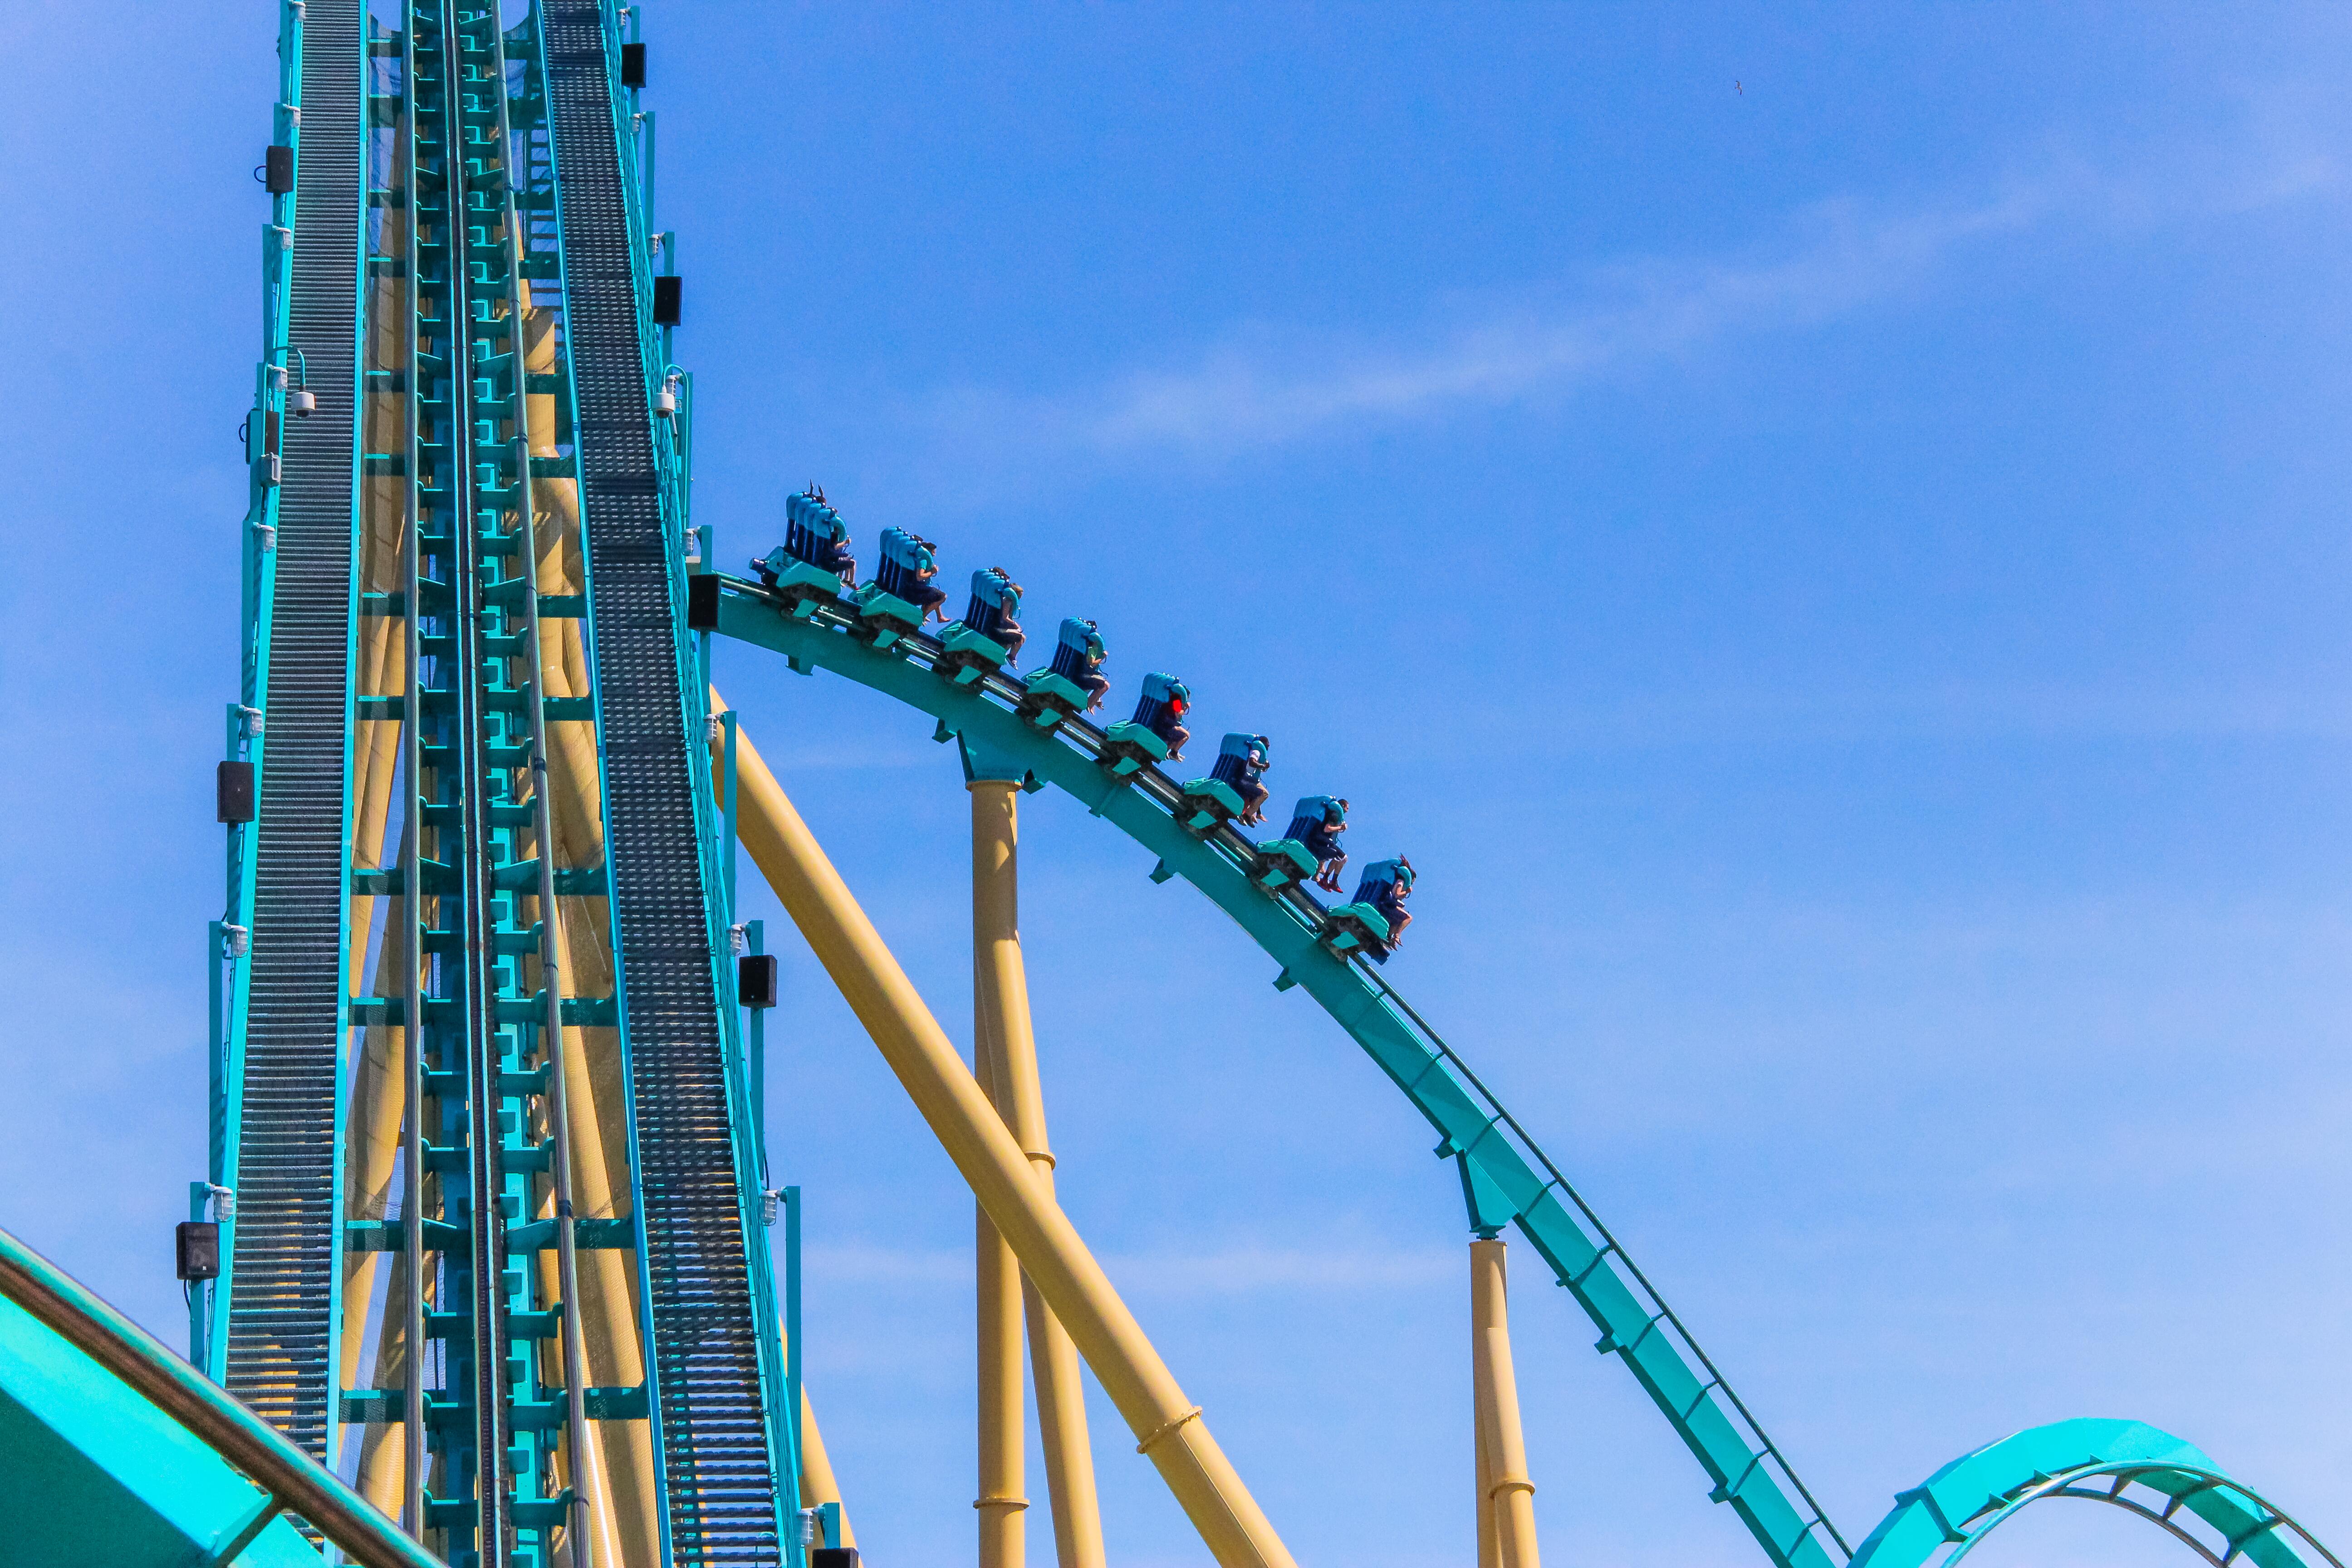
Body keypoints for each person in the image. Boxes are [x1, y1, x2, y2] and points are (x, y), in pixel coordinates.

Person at [1049, 618, 1110, 711]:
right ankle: (1089, 704)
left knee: (1099, 679)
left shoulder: (1080, 647)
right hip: (1079, 676)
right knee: (1105, 685)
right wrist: (1102, 657)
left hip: (1071, 673)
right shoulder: (1090, 649)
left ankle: (1094, 700)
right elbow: (1092, 663)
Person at [1303, 797, 1349, 892]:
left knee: (1338, 857)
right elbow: (1327, 829)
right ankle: (1330, 881)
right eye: (1347, 808)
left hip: (1320, 841)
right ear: (1343, 806)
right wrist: (1341, 828)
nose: (1347, 811)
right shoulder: (1335, 815)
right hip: (1318, 842)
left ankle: (1326, 879)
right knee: (1343, 858)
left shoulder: (1332, 813)